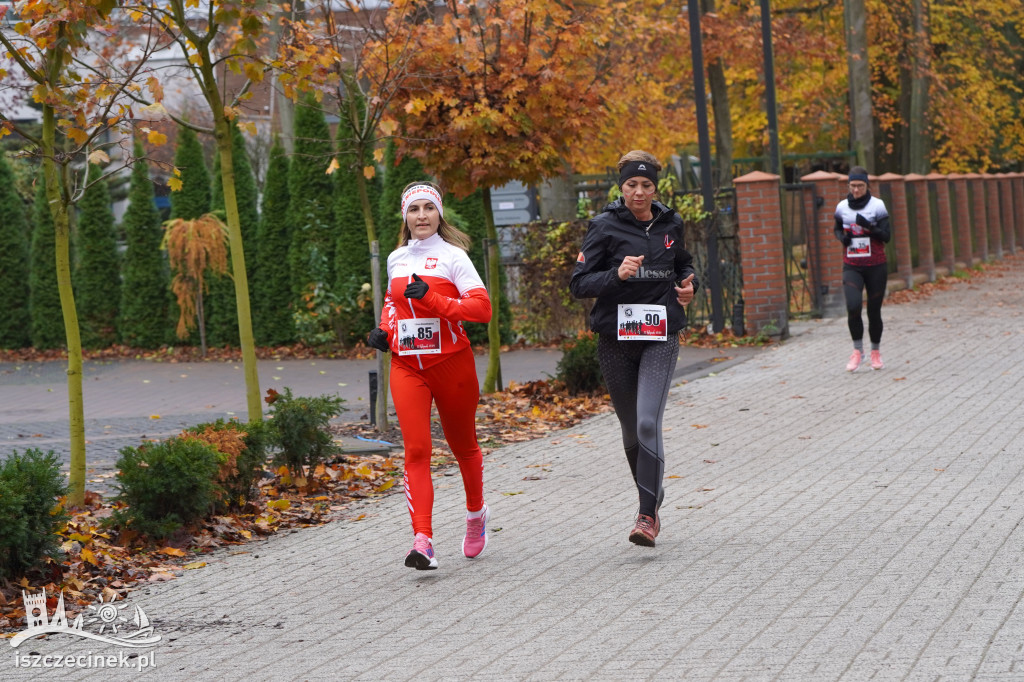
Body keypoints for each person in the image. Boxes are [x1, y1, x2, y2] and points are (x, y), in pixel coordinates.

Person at [569, 150, 699, 547]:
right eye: (631, 185)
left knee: (647, 422)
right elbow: (579, 284)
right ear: (620, 186)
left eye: (645, 185)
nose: (638, 192)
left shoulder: (671, 222)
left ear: (655, 187)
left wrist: (691, 284)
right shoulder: (604, 226)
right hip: (615, 341)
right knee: (630, 429)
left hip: (660, 336)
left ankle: (646, 517)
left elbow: (685, 264)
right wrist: (616, 274)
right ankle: (650, 502)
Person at [366, 181, 492, 570]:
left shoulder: (454, 257)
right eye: (414, 209)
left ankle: (475, 516)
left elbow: (481, 309)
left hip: (452, 364)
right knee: (416, 450)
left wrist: (432, 299)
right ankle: (423, 541)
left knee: (462, 445)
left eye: (428, 208)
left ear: (440, 215)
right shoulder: (396, 258)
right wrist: (384, 330)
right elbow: (392, 301)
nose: (421, 216)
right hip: (407, 365)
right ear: (405, 217)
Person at [833, 166, 891, 372]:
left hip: (876, 265)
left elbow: (887, 236)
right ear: (848, 186)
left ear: (867, 186)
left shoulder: (877, 206)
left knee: (874, 311)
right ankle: (858, 351)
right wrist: (843, 238)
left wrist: (870, 227)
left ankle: (875, 351)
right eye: (853, 186)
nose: (856, 190)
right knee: (853, 305)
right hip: (853, 265)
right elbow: (837, 229)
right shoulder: (842, 207)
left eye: (860, 186)